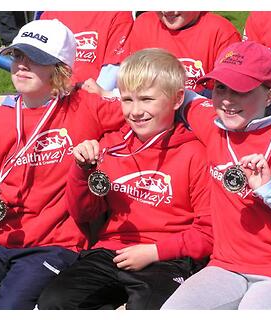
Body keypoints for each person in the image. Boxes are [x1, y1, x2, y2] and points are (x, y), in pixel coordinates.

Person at [0, 19, 126, 310]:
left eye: (35, 59)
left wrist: (107, 97)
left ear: (60, 69)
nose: (22, 64)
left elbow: (148, 108)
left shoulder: (86, 106)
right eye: (18, 55)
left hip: (53, 245)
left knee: (10, 308)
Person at [37, 48, 213, 310]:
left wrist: (154, 252)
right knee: (54, 301)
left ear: (177, 99)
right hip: (112, 251)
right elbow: (84, 213)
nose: (135, 111)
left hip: (170, 256)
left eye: (146, 99)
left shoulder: (195, 153)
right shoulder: (109, 147)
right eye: (127, 100)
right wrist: (81, 170)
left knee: (148, 307)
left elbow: (209, 233)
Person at [161, 41, 271, 310]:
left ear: (270, 95)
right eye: (220, 87)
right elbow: (188, 99)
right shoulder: (213, 125)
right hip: (226, 267)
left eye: (240, 90)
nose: (227, 100)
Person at [84, 11, 240, 99]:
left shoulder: (222, 32)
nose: (168, 10)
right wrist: (108, 94)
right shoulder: (144, 24)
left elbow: (229, 98)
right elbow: (131, 85)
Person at [38, 11, 133, 87]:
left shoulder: (118, 13)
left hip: (93, 100)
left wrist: (90, 99)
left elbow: (112, 71)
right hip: (55, 97)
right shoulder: (50, 14)